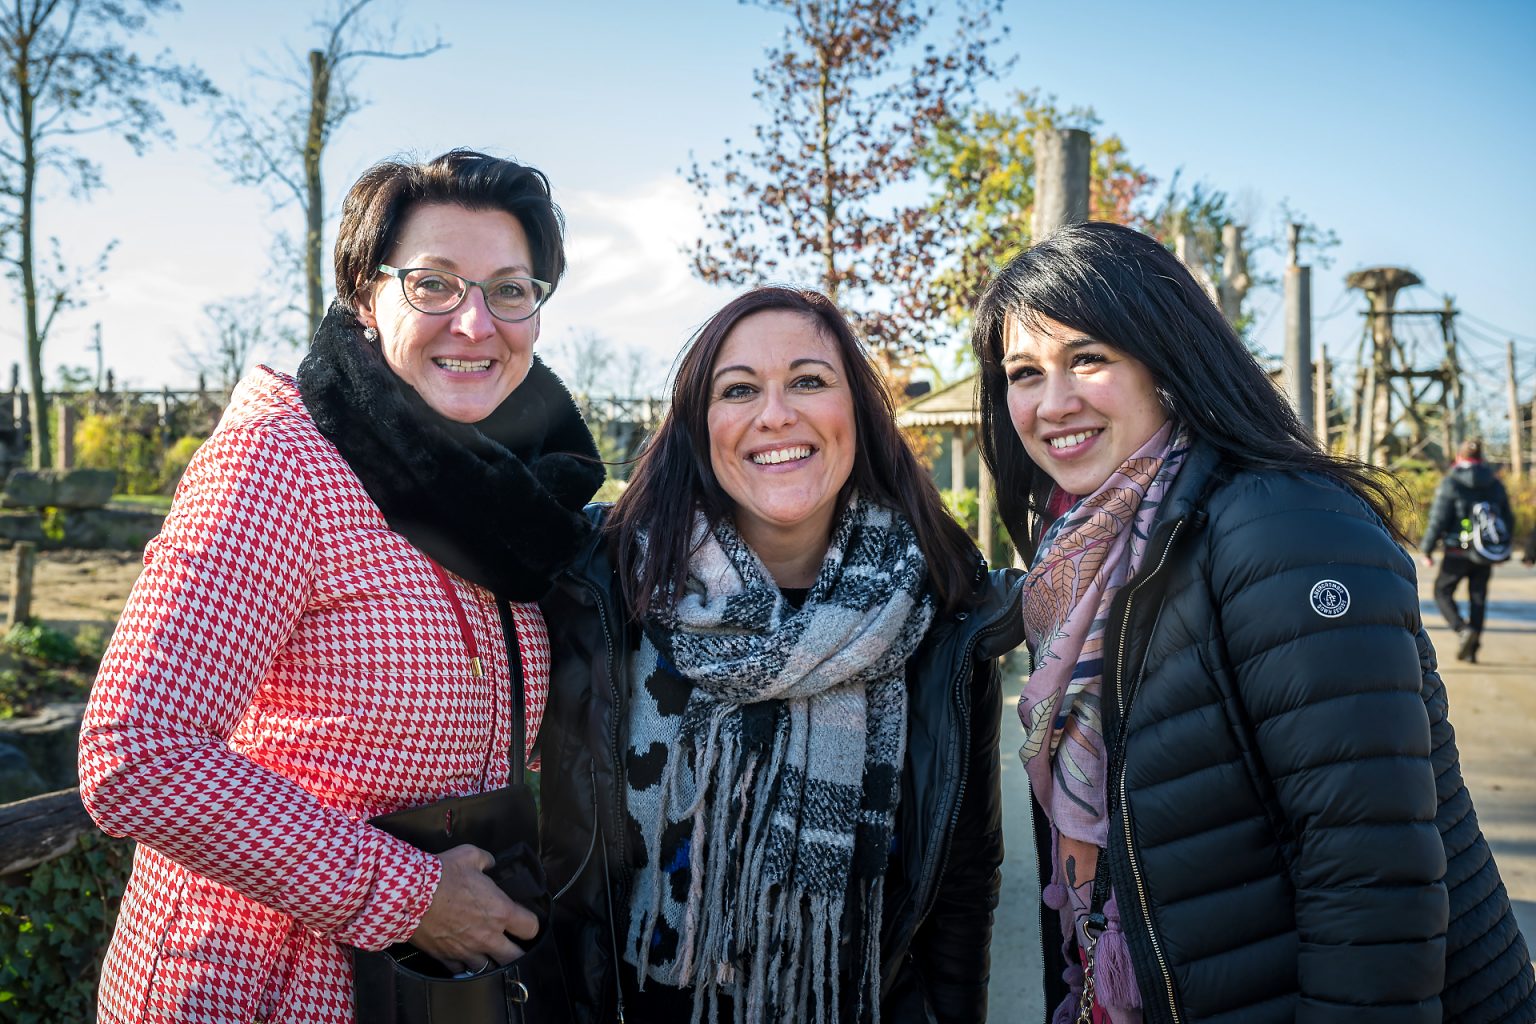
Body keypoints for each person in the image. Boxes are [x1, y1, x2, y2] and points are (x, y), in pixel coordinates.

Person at [77, 150, 604, 1024]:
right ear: (366, 295)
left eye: (511, 290)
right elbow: (136, 752)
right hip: (259, 984)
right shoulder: (284, 459)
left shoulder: (508, 494)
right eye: (434, 284)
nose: (475, 324)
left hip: (429, 991)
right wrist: (408, 896)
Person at [971, 221, 1536, 1024]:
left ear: (1166, 360)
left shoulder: (1283, 528)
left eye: (1088, 358)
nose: (1052, 402)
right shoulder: (1081, 562)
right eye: (1024, 373)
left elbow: (1371, 882)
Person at [537, 286, 1022, 1023]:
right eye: (739, 390)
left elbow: (961, 884)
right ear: (700, 429)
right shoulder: (605, 587)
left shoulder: (940, 610)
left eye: (808, 381)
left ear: (855, 412)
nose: (776, 414)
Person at [1420, 438, 1516, 663]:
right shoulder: (1494, 483)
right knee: (1478, 598)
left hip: (1456, 550)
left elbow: (1439, 519)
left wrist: (1427, 549)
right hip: (1484, 552)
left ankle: (1462, 629)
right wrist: (1500, 549)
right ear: (1481, 459)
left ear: (1459, 457)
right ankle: (1473, 651)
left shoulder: (1451, 482)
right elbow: (1507, 518)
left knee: (1442, 592)